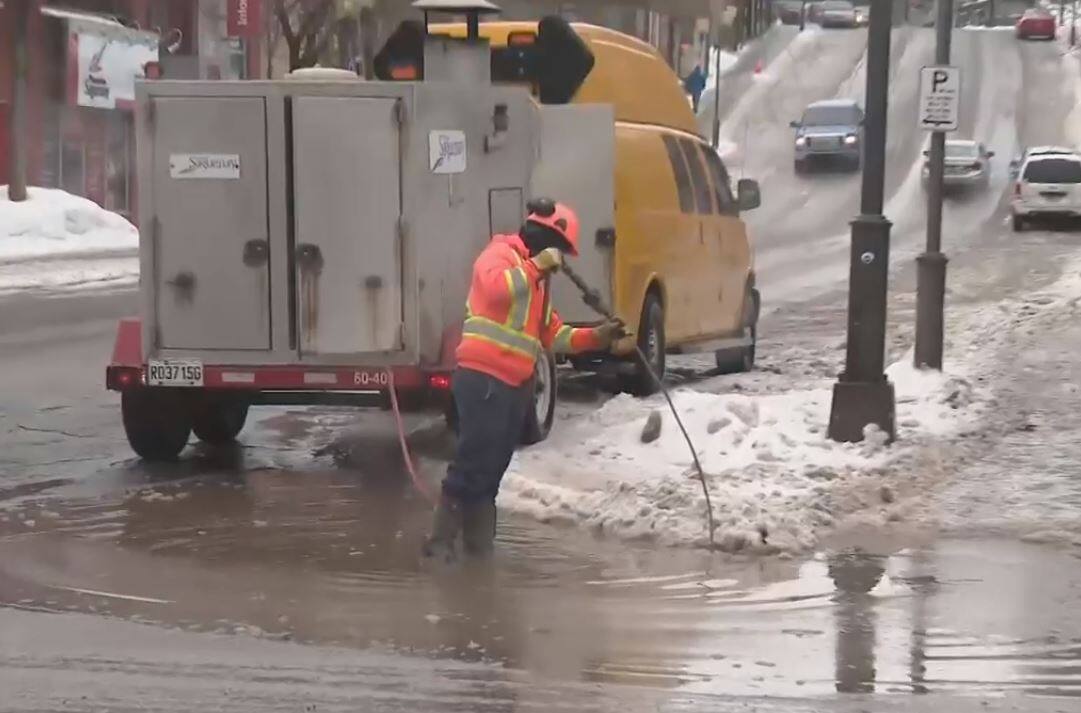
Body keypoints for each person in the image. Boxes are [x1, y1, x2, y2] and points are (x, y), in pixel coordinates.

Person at [423, 200, 625, 561]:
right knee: (473, 462)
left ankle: (478, 550)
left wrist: (596, 337)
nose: (559, 258)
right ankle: (439, 546)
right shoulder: (499, 255)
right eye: (558, 249)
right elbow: (497, 290)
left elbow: (553, 334)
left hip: (515, 386)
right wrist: (537, 266)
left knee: (493, 469)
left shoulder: (537, 283)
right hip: (482, 380)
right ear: (543, 237)